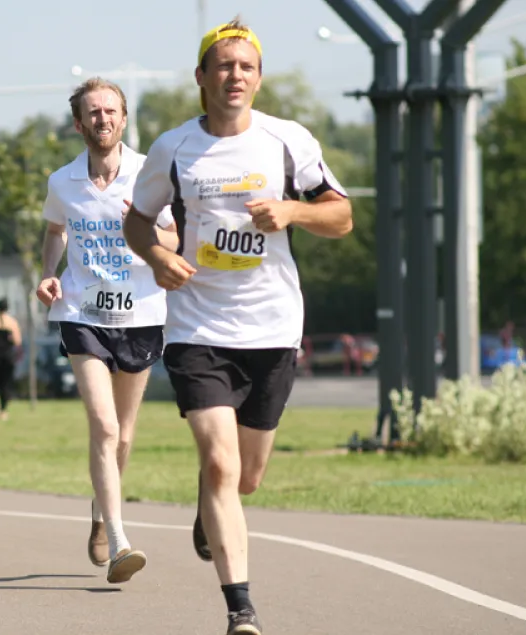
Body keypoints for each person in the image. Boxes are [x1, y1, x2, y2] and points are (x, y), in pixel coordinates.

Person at [123, 19, 352, 635]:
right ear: (202, 77)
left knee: (245, 477)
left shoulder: (287, 141)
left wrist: (293, 210)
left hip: (272, 326)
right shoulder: (173, 148)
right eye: (223, 66)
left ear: (258, 77)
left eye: (246, 66)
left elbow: (342, 216)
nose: (235, 76)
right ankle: (241, 610)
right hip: (197, 327)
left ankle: (211, 504)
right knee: (221, 464)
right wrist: (159, 256)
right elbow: (138, 222)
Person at [36, 77, 178, 584]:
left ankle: (99, 512)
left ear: (123, 119)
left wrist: (149, 230)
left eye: (111, 111)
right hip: (82, 314)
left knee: (124, 434)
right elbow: (54, 231)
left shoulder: (148, 173)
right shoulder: (62, 182)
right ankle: (120, 539)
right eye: (93, 112)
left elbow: (175, 235)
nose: (103, 119)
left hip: (139, 312)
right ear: (80, 123)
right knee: (105, 425)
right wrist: (50, 273)